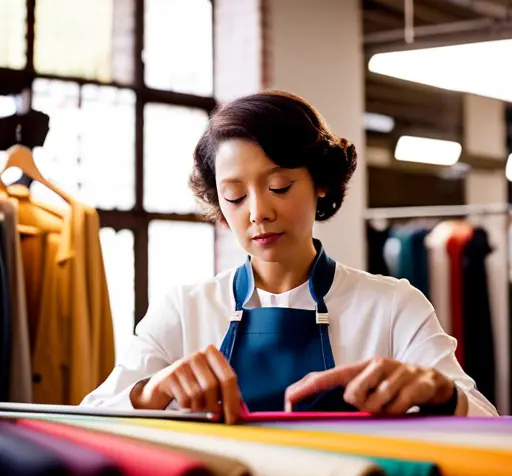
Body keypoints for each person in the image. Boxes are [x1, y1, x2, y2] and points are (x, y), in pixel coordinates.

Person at [81, 90, 498, 423]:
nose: (259, 211)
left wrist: (441, 393)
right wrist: (149, 392)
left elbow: (487, 422)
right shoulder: (184, 308)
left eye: (279, 186)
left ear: (320, 183)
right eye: (235, 195)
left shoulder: (392, 306)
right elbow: (89, 416)